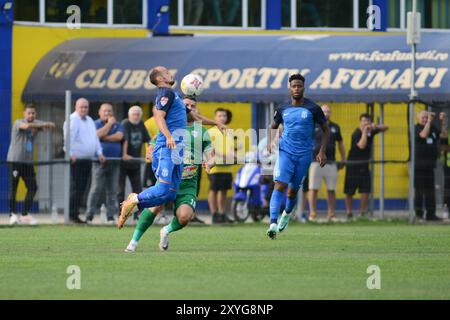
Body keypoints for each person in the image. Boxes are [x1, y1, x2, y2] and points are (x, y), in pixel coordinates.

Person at [118, 66, 225, 229]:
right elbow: (159, 117)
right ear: (160, 79)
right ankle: (135, 200)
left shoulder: (173, 95)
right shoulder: (165, 93)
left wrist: (216, 123)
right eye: (166, 73)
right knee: (162, 188)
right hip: (166, 149)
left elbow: (194, 116)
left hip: (175, 150)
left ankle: (136, 204)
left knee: (169, 193)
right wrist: (168, 136)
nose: (170, 74)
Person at [124, 95, 219, 252]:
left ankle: (166, 230)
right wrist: (151, 153)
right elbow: (151, 147)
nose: (189, 108)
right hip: (168, 179)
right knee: (155, 207)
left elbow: (211, 155)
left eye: (193, 106)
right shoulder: (169, 128)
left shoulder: (201, 131)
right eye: (186, 105)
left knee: (184, 217)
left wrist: (210, 162)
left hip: (188, 184)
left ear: (197, 110)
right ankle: (133, 242)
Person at [266, 73, 329, 239]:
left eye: (299, 86)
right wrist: (269, 142)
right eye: (293, 86)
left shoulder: (313, 108)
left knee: (292, 193)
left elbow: (326, 130)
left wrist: (322, 151)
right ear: (289, 88)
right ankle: (272, 223)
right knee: (279, 185)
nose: (296, 89)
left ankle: (286, 215)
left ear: (303, 88)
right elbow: (273, 126)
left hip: (304, 156)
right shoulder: (282, 109)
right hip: (285, 151)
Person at [7, 104, 55, 225]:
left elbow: (50, 125)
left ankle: (24, 214)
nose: (31, 115)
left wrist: (47, 125)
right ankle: (12, 214)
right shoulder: (18, 122)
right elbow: (27, 126)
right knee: (14, 188)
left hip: (27, 162)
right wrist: (43, 124)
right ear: (24, 113)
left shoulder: (37, 123)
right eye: (29, 113)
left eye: (33, 113)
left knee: (33, 187)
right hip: (15, 161)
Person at [65, 98, 105, 224]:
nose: (83, 109)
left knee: (82, 188)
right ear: (75, 107)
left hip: (88, 160)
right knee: (76, 188)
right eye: (81, 107)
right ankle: (71, 215)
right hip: (76, 160)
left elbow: (95, 138)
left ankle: (75, 214)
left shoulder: (89, 120)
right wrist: (70, 154)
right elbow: (68, 139)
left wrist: (99, 153)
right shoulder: (72, 120)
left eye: (86, 107)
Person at [344, 114, 388, 220]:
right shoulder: (356, 133)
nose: (366, 123)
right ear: (360, 122)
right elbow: (362, 145)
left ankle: (361, 213)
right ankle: (349, 213)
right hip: (353, 165)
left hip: (364, 165)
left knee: (365, 190)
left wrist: (375, 126)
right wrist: (364, 131)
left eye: (368, 121)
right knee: (349, 191)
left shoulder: (370, 131)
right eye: (364, 121)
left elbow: (386, 127)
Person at [85, 103, 124, 224]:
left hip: (114, 161)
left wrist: (104, 137)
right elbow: (95, 135)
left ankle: (110, 216)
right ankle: (89, 216)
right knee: (96, 188)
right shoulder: (95, 123)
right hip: (99, 161)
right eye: (105, 111)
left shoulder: (119, 124)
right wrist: (109, 124)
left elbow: (119, 137)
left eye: (109, 111)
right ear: (99, 112)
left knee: (112, 190)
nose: (107, 113)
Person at [308, 105, 346, 222]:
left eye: (328, 111)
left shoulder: (335, 127)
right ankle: (312, 214)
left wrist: (343, 158)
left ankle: (331, 213)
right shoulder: (313, 125)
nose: (326, 113)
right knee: (313, 188)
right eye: (324, 111)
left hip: (331, 162)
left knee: (331, 189)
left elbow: (340, 144)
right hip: (315, 163)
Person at [117, 105, 151, 220]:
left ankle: (138, 214)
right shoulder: (125, 124)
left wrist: (151, 150)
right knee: (120, 190)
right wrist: (124, 154)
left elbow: (148, 140)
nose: (136, 116)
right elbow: (124, 140)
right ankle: (120, 214)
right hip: (123, 163)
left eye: (138, 114)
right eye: (134, 114)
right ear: (129, 115)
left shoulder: (141, 124)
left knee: (138, 191)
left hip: (135, 163)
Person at [415, 110, 446, 221]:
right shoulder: (416, 128)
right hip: (419, 166)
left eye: (426, 117)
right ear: (418, 118)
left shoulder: (432, 127)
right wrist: (429, 121)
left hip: (430, 165)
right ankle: (418, 214)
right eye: (423, 117)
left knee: (430, 191)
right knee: (419, 191)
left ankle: (431, 214)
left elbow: (442, 135)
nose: (425, 119)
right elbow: (423, 135)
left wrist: (442, 121)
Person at [207, 108, 235, 223]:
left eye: (224, 116)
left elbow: (232, 148)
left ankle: (222, 213)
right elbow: (210, 149)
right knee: (214, 189)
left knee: (224, 190)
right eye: (219, 116)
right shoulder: (210, 132)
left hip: (227, 166)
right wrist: (224, 156)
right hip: (215, 167)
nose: (222, 118)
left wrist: (233, 155)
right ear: (215, 118)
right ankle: (214, 214)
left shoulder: (229, 132)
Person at [143, 107, 159, 188]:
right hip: (151, 160)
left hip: (163, 160)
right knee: (151, 186)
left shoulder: (167, 122)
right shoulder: (148, 123)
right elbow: (149, 141)